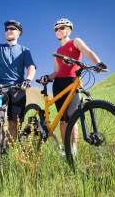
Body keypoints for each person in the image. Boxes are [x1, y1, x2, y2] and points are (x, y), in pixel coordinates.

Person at [40, 18, 107, 153]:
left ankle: (74, 150)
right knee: (63, 118)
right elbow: (57, 71)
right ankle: (66, 149)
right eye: (56, 29)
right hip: (58, 84)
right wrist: (48, 77)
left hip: (72, 81)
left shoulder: (75, 41)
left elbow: (88, 52)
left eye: (62, 27)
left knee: (72, 117)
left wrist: (98, 62)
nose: (58, 30)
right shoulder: (57, 51)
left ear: (68, 30)